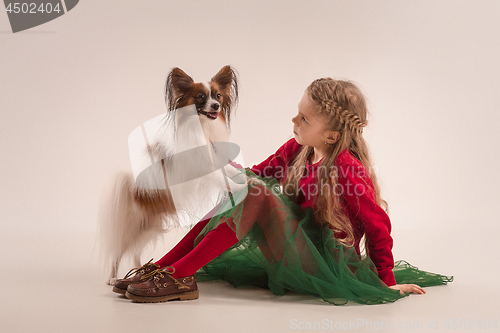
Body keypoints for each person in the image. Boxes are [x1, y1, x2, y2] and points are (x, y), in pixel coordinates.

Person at [113, 78, 452, 305]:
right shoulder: (298, 148)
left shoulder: (347, 168)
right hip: (293, 250)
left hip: (327, 264)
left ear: (332, 136)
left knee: (256, 193)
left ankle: (180, 276)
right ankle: (166, 267)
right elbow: (254, 175)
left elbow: (378, 225)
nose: (294, 121)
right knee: (240, 187)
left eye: (304, 119)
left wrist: (385, 280)